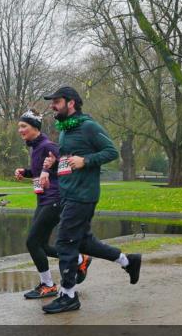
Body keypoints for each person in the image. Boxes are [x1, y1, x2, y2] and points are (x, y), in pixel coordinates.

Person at [39, 86, 142, 314]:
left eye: (56, 101)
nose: (52, 105)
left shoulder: (88, 126)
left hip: (82, 196)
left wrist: (86, 161)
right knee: (84, 243)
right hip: (68, 193)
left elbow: (111, 152)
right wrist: (54, 166)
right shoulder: (66, 130)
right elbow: (69, 162)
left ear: (71, 103)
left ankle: (68, 296)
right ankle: (128, 261)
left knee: (65, 242)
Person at [13, 109, 83, 300]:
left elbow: (67, 164)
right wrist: (25, 172)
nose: (20, 130)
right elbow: (41, 172)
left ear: (35, 127)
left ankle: (48, 285)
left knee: (32, 242)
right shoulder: (36, 147)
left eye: (23, 126)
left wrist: (53, 165)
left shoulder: (47, 145)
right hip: (43, 200)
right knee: (41, 245)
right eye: (19, 126)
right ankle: (78, 259)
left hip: (54, 201)